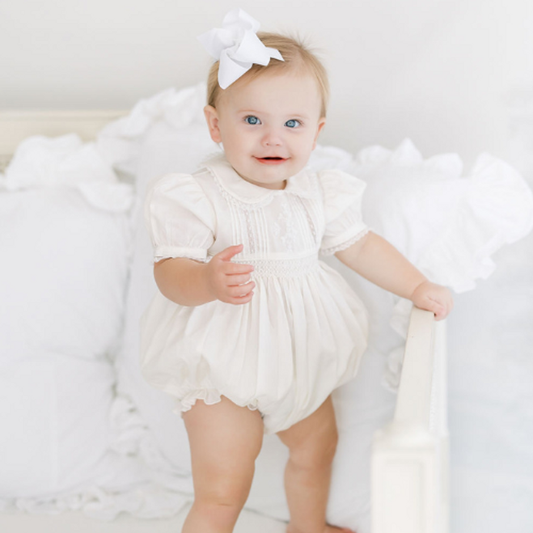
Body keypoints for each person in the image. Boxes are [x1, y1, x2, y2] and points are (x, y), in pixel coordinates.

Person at [139, 8, 454, 533]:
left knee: (316, 450)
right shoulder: (198, 196)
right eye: (252, 121)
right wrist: (207, 280)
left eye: (292, 124)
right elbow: (170, 272)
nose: (273, 138)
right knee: (223, 488)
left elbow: (361, 246)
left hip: (300, 358)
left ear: (316, 132)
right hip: (223, 365)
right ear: (216, 125)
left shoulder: (318, 193)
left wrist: (417, 285)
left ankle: (307, 527)